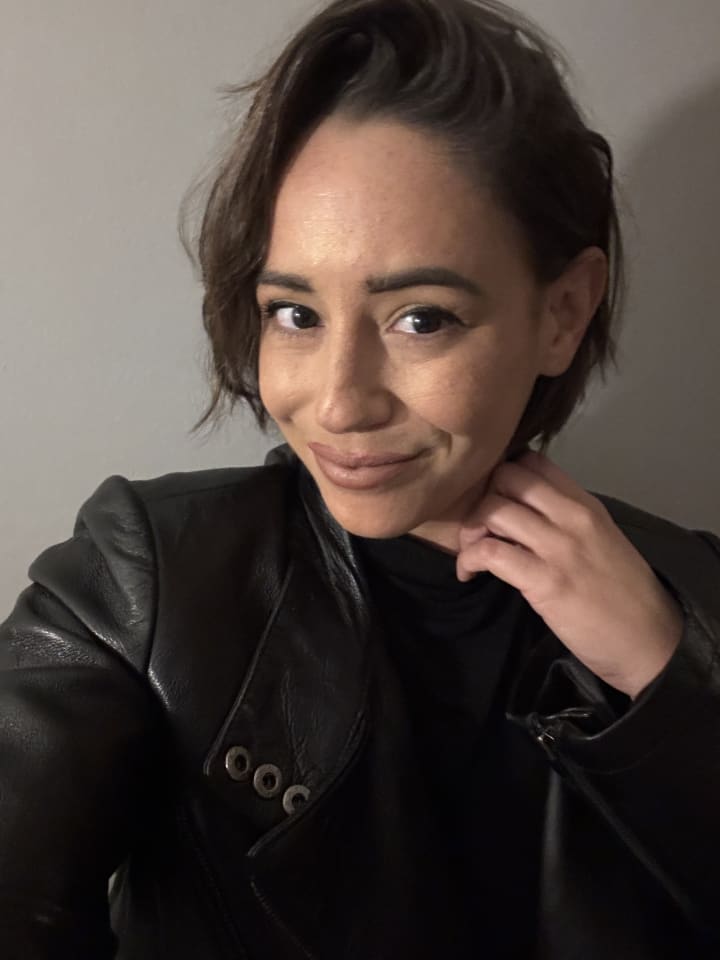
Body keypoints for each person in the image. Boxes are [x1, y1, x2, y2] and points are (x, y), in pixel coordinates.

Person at [1, 0, 719, 957]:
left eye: (421, 318)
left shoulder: (697, 595)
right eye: (295, 314)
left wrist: (665, 682)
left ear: (563, 313)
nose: (339, 404)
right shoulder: (145, 582)